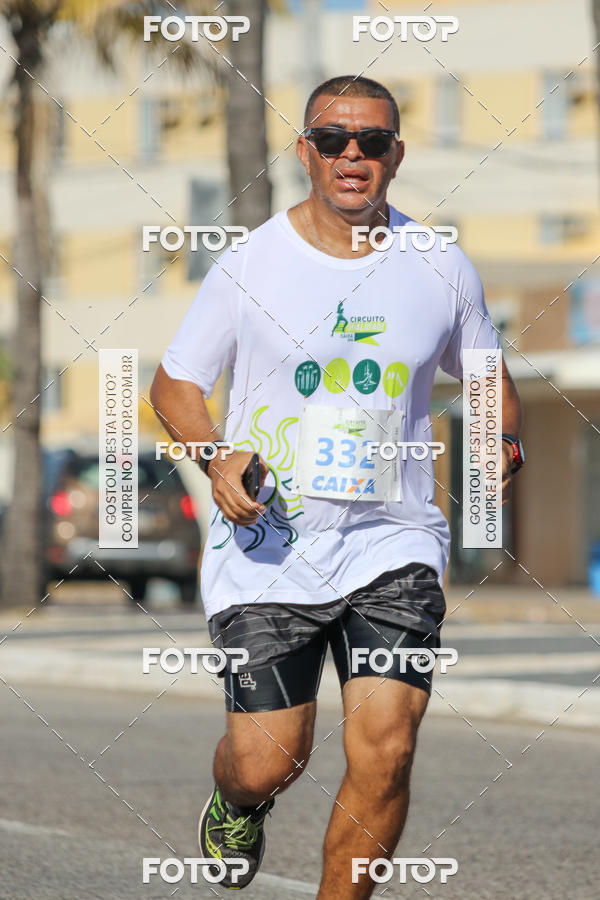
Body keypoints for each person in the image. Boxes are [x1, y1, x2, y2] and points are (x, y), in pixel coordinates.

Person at [150, 75, 523, 899]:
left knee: (387, 748)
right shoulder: (249, 265)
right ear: (304, 152)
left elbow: (487, 377)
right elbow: (174, 384)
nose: (352, 155)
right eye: (332, 139)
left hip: (394, 542)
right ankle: (235, 801)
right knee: (268, 761)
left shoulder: (442, 265)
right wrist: (214, 454)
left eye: (372, 141)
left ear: (396, 154)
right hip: (270, 544)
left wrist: (500, 434)